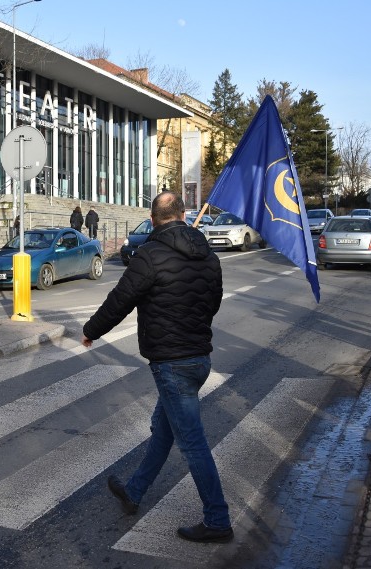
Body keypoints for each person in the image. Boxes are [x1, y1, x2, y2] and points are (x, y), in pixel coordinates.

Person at [82, 191, 232, 543]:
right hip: (200, 358)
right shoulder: (208, 254)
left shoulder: (150, 254)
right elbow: (214, 300)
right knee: (165, 429)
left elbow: (120, 299)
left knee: (192, 444)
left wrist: (91, 331)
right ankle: (134, 491)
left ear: (153, 219)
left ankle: (218, 519)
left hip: (172, 363)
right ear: (183, 215)